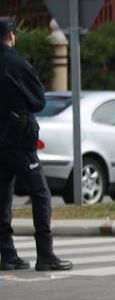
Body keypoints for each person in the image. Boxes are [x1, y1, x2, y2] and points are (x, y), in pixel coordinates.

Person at [0, 17, 72, 272]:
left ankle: (7, 255)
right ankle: (46, 254)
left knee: (3, 199)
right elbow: (39, 101)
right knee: (41, 194)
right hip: (19, 141)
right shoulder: (18, 65)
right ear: (11, 35)